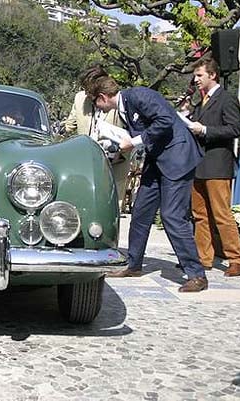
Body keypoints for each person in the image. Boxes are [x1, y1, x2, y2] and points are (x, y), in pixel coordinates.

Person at [88, 75, 208, 292]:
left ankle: (196, 274)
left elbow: (165, 121)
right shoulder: (125, 107)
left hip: (177, 159)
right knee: (141, 212)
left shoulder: (140, 95)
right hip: (157, 161)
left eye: (95, 102)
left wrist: (132, 142)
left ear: (103, 97)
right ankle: (134, 264)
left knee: (172, 215)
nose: (97, 108)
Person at [186, 57, 240, 277]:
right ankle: (204, 257)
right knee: (199, 214)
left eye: (200, 75)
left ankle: (236, 259)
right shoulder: (201, 101)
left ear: (212, 75)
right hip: (199, 165)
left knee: (221, 214)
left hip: (218, 165)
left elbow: (234, 129)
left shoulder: (226, 98)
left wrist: (205, 130)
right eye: (195, 75)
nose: (196, 79)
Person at [65, 66, 130, 210]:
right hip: (86, 161)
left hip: (116, 162)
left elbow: (131, 130)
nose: (87, 92)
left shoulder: (117, 99)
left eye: (89, 88)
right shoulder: (80, 98)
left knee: (112, 207)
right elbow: (70, 124)